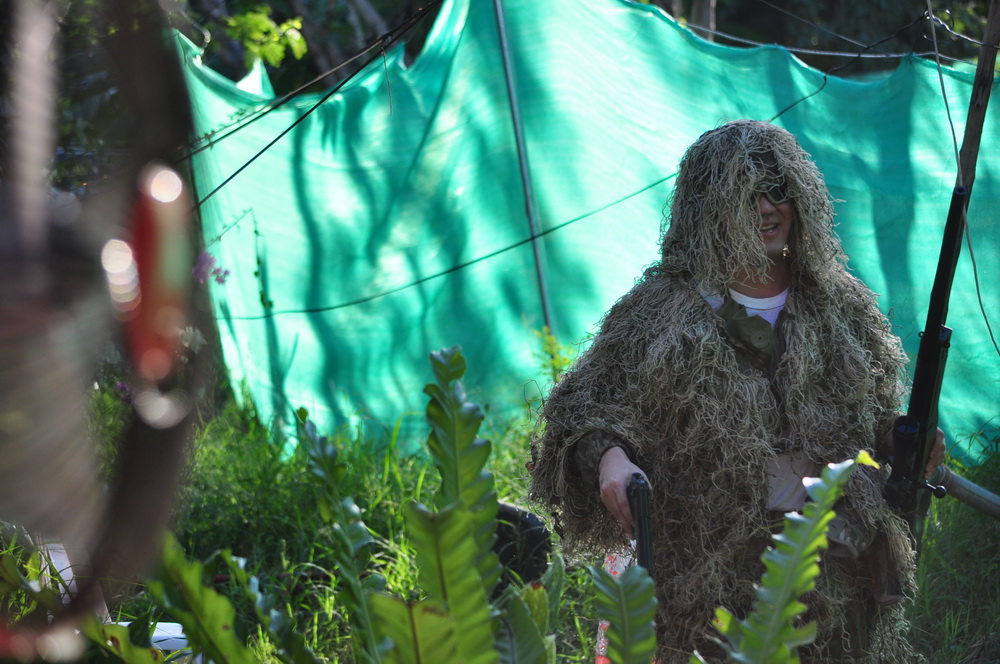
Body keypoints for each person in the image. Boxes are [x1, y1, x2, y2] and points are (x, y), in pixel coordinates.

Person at [529, 120, 946, 663]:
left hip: (833, 578)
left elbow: (867, 420)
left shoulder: (839, 306)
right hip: (706, 581)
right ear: (708, 207)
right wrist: (610, 456)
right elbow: (582, 414)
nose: (767, 209)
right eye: (745, 194)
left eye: (776, 190)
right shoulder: (658, 312)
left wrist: (903, 438)